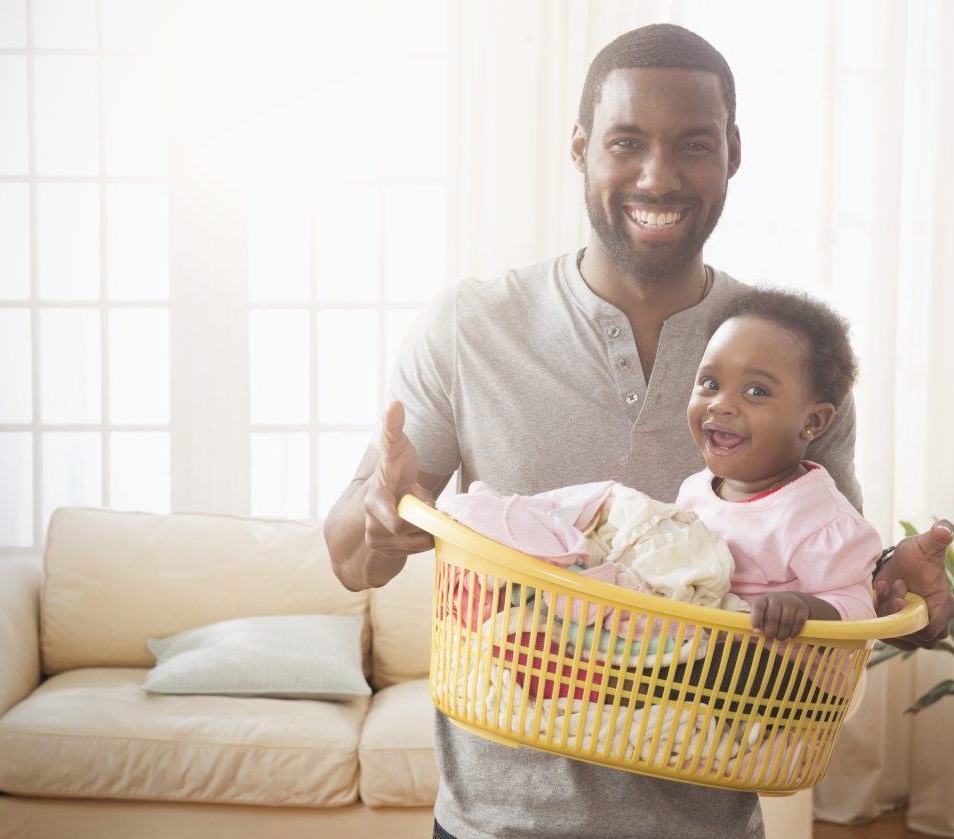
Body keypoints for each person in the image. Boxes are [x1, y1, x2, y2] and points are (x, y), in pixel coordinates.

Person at [325, 22, 954, 839]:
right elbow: (347, 558)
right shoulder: (470, 328)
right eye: (626, 142)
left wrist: (911, 596)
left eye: (694, 144)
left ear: (733, 151)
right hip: (496, 823)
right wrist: (380, 518)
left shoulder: (795, 364)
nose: (659, 177)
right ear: (581, 148)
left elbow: (841, 590)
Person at [678, 288, 878, 640]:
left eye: (756, 391)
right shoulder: (695, 490)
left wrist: (805, 608)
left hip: (786, 677)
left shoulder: (818, 521)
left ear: (813, 422)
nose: (720, 404)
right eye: (710, 383)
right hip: (692, 660)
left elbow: (861, 610)